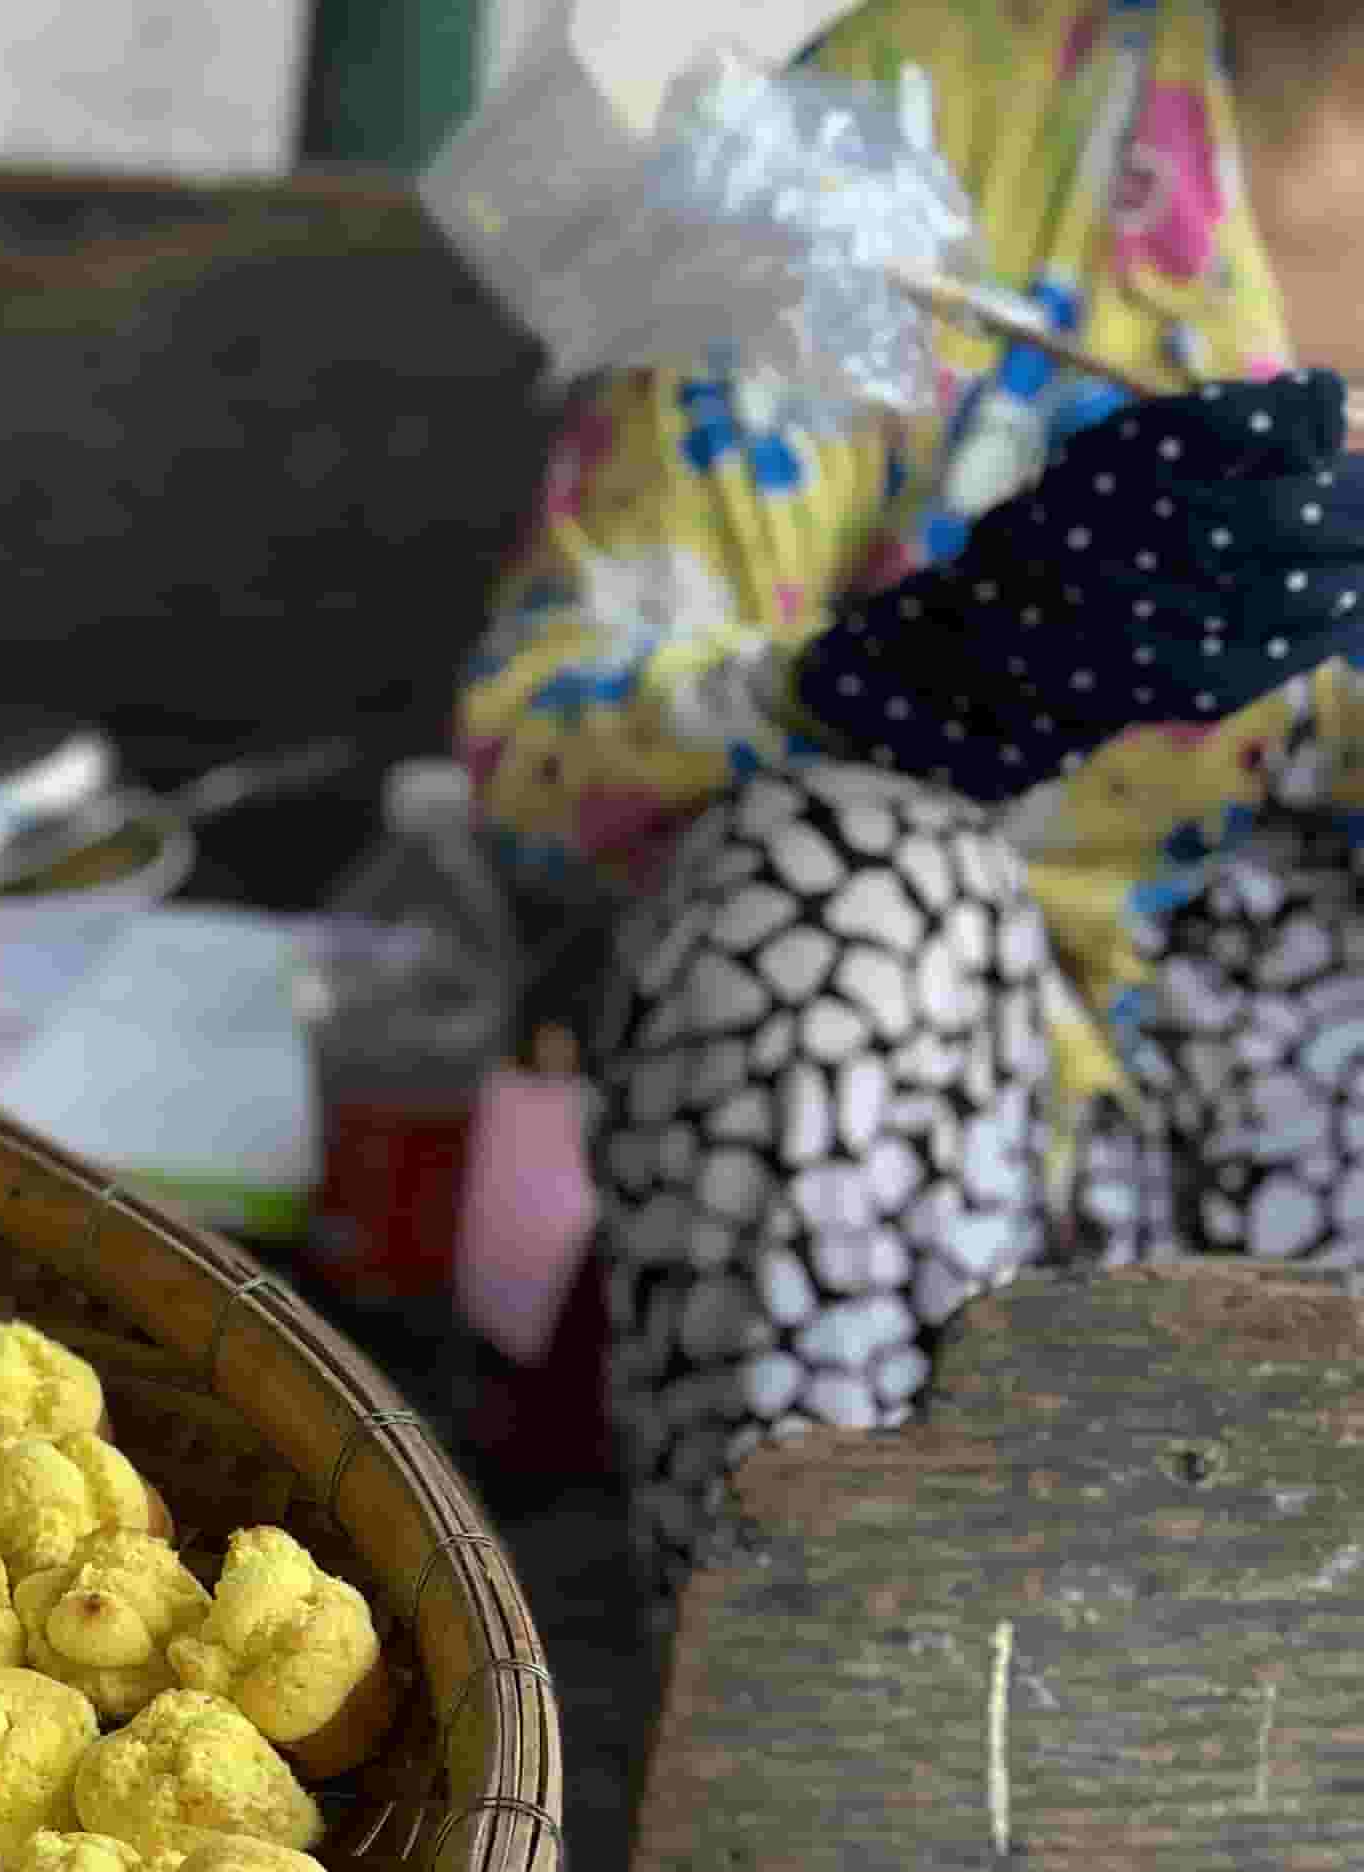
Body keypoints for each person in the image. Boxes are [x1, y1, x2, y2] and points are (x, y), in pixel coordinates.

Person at [459, 0, 1364, 1594]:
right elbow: (540, 759)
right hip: (910, 1181)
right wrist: (928, 679)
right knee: (834, 885)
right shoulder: (930, 112)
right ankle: (820, 1739)